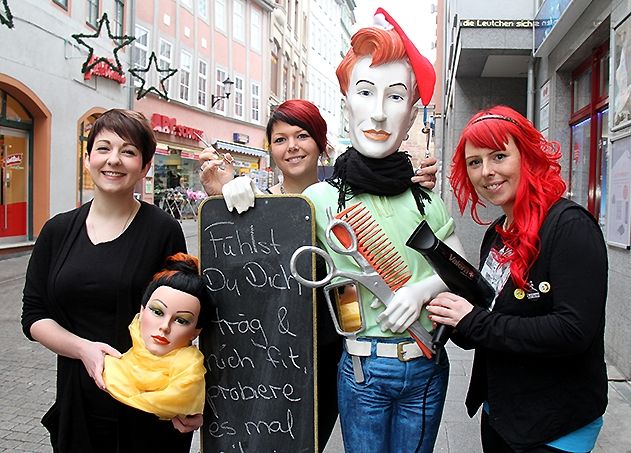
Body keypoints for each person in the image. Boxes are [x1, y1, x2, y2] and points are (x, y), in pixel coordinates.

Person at [198, 98, 440, 450]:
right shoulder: (255, 202)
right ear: (270, 149)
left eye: (302, 136)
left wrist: (413, 180)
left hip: (333, 348)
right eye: (280, 139)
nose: (292, 147)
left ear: (322, 144)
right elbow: (231, 279)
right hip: (270, 348)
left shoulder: (348, 198)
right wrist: (228, 201)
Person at [302, 8, 465, 453]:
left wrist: (419, 292)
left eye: (394, 97)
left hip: (427, 364)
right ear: (346, 103)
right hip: (361, 369)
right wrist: (233, 191)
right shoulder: (319, 200)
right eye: (365, 92)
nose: (377, 113)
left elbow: (462, 271)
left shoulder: (425, 200)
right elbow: (265, 226)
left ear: (412, 114)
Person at [427, 105, 608, 453]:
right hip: (502, 415)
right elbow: (488, 318)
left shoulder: (569, 227)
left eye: (498, 156)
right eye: (475, 162)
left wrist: (474, 320)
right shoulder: (497, 234)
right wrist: (453, 316)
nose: (487, 172)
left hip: (556, 427)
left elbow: (573, 331)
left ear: (526, 156)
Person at [21, 109, 200, 453]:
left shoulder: (162, 230)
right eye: (103, 148)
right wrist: (84, 350)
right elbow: (34, 316)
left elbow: (183, 317)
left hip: (149, 401)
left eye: (128, 151)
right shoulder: (58, 230)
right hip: (78, 400)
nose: (113, 160)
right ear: (88, 158)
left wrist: (189, 394)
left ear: (145, 166)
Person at [104, 252, 213, 421]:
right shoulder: (111, 367)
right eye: (157, 311)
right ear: (142, 311)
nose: (164, 327)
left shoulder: (189, 376)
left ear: (196, 330)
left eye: (181, 320)